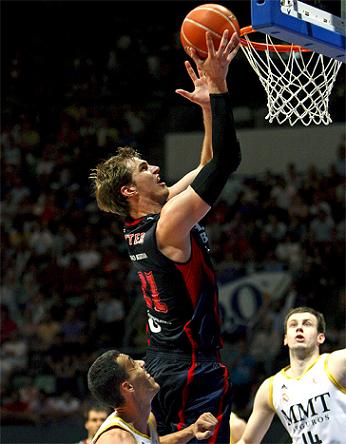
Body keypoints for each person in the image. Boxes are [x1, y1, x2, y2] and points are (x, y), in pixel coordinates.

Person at [90, 29, 241, 443]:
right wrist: (223, 84)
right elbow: (227, 160)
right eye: (144, 168)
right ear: (129, 190)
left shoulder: (144, 222)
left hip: (165, 359)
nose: (155, 168)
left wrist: (209, 108)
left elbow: (209, 164)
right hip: (190, 363)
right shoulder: (169, 222)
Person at [237, 306, 346, 444]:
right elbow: (247, 441)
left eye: (307, 324)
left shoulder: (337, 363)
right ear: (285, 339)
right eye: (293, 325)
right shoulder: (270, 388)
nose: (299, 328)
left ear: (321, 337)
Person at [87, 349, 219, 443]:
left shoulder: (148, 419)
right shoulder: (116, 439)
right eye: (133, 364)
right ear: (128, 387)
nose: (142, 363)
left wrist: (192, 430)